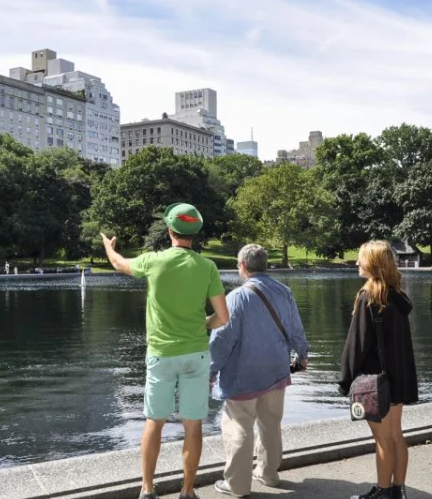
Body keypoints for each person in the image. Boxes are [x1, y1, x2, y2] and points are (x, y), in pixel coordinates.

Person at [101, 202, 229, 499]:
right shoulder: (207, 267)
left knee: (154, 421)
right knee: (193, 424)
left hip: (161, 354)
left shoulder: (154, 261)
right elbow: (223, 318)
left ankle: (147, 489)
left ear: (170, 231)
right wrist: (201, 324)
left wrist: (109, 247)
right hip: (196, 354)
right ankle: (187, 491)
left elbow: (119, 264)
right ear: (194, 233)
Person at [209, 244, 309, 497]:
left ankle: (237, 485)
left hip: (243, 375)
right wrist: (302, 354)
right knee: (270, 424)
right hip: (276, 370)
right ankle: (269, 474)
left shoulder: (236, 298)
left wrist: (210, 371)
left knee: (238, 426)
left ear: (242, 266)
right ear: (266, 265)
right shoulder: (284, 292)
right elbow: (296, 328)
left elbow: (221, 341)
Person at [339, 240, 419, 499]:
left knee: (383, 439)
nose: (357, 263)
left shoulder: (368, 297)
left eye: (361, 258)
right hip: (398, 378)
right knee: (396, 435)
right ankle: (399, 490)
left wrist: (345, 380)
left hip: (376, 382)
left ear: (372, 263)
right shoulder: (397, 296)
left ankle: (383, 492)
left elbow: (356, 345)